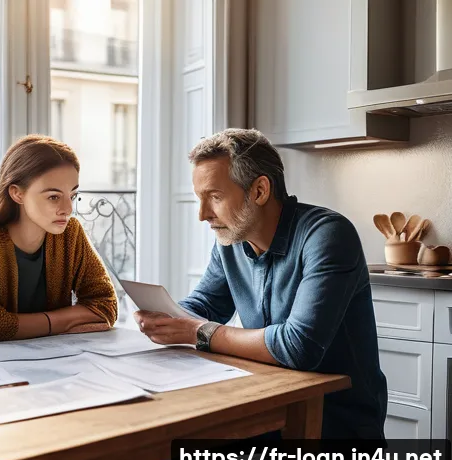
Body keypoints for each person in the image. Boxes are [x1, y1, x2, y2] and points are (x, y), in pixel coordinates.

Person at [137, 128, 387, 442]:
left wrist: (197, 331)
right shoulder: (231, 242)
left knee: (185, 448)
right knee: (171, 441)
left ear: (259, 191)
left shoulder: (328, 235)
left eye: (214, 197)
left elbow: (299, 346)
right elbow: (203, 306)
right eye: (199, 199)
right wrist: (162, 318)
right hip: (268, 405)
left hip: (335, 427)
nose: (203, 215)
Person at [0, 134, 118, 342]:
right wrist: (63, 322)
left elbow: (105, 306)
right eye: (54, 197)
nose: (68, 209)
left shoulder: (70, 233)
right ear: (17, 194)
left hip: (61, 359)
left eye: (72, 195)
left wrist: (23, 325)